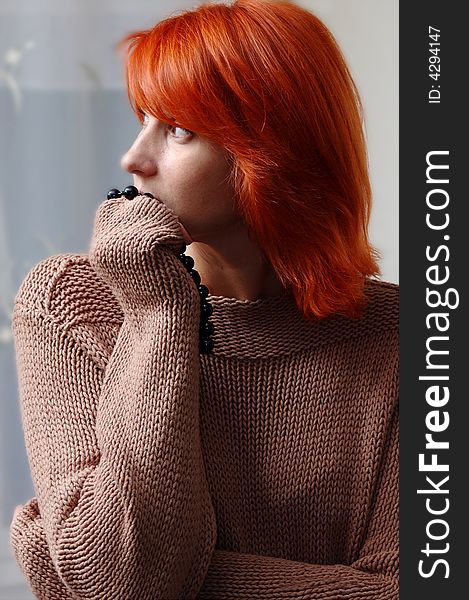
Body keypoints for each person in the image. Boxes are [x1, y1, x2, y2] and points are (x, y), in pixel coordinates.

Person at [9, 0, 399, 598]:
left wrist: (59, 560)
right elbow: (122, 576)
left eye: (179, 131)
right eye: (142, 120)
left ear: (271, 153)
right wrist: (157, 311)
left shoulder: (408, 338)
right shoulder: (69, 307)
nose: (134, 160)